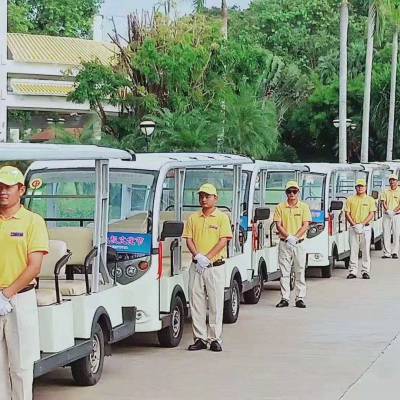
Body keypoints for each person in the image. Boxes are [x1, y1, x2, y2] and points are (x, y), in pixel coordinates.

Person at [0, 166, 49, 400]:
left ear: (21, 189)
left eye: (8, 187)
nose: (3, 192)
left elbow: (34, 266)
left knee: (20, 365)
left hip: (19, 298)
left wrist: (7, 294)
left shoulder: (32, 222)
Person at [183, 183, 232, 352]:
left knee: (215, 303)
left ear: (215, 198)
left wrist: (207, 258)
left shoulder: (221, 217)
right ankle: (200, 338)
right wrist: (197, 256)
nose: (203, 199)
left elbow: (224, 240)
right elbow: (188, 239)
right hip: (197, 266)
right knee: (196, 303)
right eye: (201, 196)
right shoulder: (193, 218)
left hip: (214, 266)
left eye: (207, 196)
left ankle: (215, 338)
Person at [273, 181, 311, 309]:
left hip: (299, 242)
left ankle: (300, 297)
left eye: (294, 191)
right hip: (285, 243)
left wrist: (295, 237)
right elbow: (278, 224)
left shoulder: (304, 207)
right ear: (286, 193)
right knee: (284, 272)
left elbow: (305, 224)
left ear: (298, 192)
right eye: (289, 191)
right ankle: (285, 297)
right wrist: (288, 237)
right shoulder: (280, 207)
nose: (292, 194)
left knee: (300, 270)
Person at [345, 178, 376, 279]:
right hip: (353, 228)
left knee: (366, 250)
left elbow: (371, 214)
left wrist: (362, 224)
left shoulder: (370, 200)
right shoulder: (350, 199)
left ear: (365, 187)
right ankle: (353, 271)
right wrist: (354, 225)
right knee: (353, 250)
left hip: (365, 228)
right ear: (355, 188)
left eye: (362, 186)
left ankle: (365, 271)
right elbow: (347, 213)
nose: (360, 188)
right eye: (358, 186)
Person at [381, 174, 400, 259]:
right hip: (387, 215)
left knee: (396, 234)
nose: (392, 182)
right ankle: (387, 252)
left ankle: (395, 252)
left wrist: (394, 211)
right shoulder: (385, 191)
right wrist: (388, 210)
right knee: (386, 233)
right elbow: (383, 202)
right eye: (391, 180)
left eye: (394, 180)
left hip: (396, 215)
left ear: (397, 181)